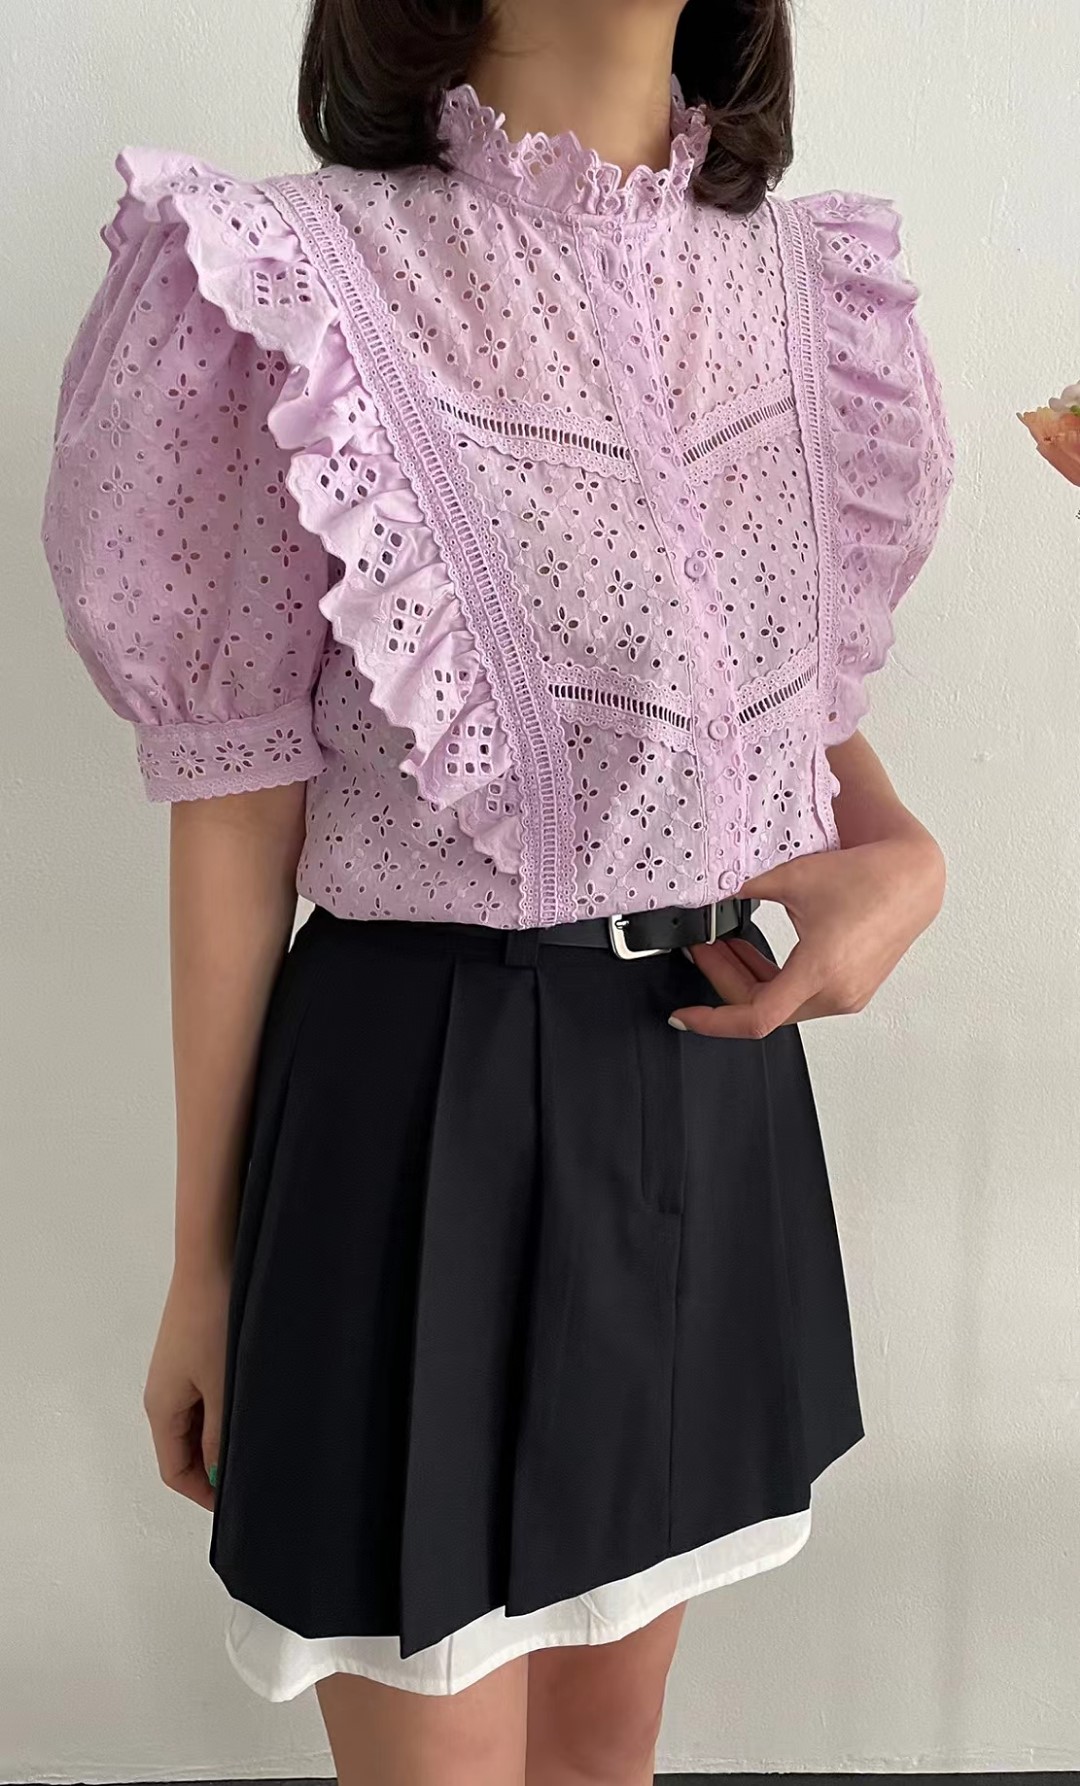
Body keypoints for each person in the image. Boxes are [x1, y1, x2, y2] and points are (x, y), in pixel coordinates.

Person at [38, 0, 955, 1779]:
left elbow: (777, 692)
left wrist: (902, 852)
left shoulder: (801, 296)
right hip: (419, 1106)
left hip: (704, 1088)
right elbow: (234, 799)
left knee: (608, 1750)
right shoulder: (290, 284)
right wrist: (203, 1260)